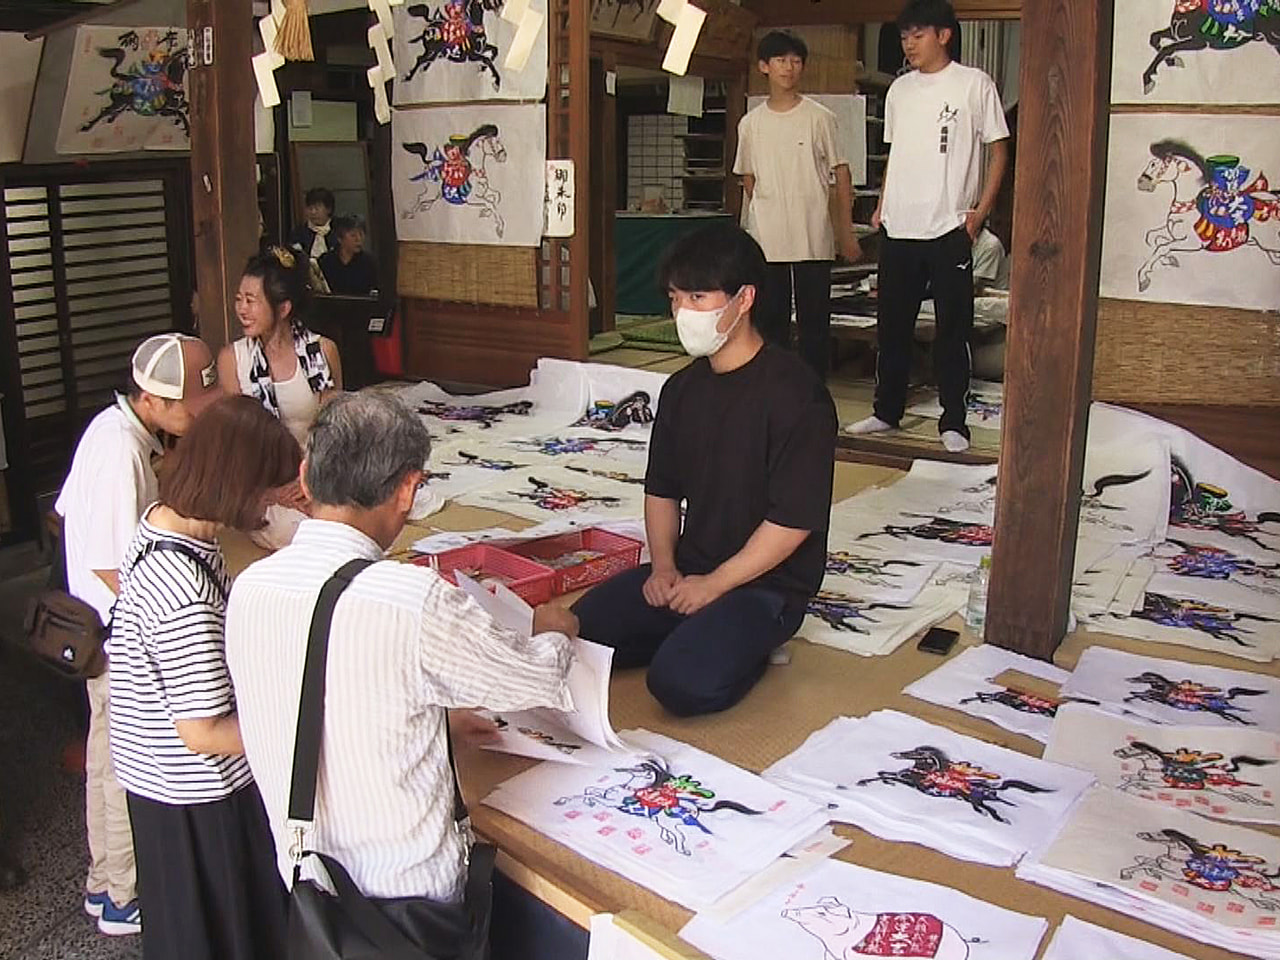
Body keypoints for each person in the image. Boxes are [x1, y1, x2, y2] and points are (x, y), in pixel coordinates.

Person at [225, 392, 579, 914]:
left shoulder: (252, 586)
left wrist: (438, 719)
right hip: (406, 893)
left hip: (307, 880)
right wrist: (555, 632)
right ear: (409, 490)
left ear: (305, 479)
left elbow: (329, 691)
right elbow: (534, 681)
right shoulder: (412, 600)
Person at [571, 223, 837, 717]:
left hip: (766, 586)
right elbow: (662, 490)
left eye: (698, 297)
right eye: (675, 298)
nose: (682, 313)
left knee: (679, 685)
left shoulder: (796, 394)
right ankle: (695, 627)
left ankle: (739, 641)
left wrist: (716, 585)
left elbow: (794, 520)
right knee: (579, 630)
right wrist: (667, 567)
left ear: (744, 299)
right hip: (690, 569)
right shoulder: (681, 390)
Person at [108, 396, 297, 960]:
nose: (268, 506)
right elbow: (205, 733)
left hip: (156, 779)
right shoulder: (182, 591)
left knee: (189, 932)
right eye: (266, 492)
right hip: (196, 794)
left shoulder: (164, 527)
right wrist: (305, 721)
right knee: (228, 934)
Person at [55, 333, 222, 936]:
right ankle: (122, 891)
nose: (195, 420)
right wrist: (171, 621)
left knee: (107, 760)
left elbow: (67, 513)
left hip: (108, 628)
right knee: (122, 767)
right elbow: (110, 561)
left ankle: (106, 883)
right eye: (191, 409)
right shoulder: (121, 450)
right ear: (154, 398)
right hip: (115, 637)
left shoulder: (115, 429)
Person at [847, 0, 1010, 453]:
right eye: (904, 37)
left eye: (917, 35)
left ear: (944, 35)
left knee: (951, 329)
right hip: (900, 225)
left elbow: (999, 151)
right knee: (892, 327)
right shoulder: (899, 90)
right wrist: (881, 206)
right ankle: (887, 411)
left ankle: (953, 420)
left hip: (949, 227)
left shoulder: (974, 85)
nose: (909, 44)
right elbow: (897, 155)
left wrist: (980, 211)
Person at [733, 30, 859, 380]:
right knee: (770, 323)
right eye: (780, 60)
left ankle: (813, 390)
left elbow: (840, 174)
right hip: (768, 239)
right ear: (764, 66)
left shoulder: (820, 117)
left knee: (814, 323)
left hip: (812, 235)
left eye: (796, 60)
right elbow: (748, 178)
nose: (789, 68)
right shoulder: (751, 124)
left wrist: (844, 231)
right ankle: (774, 390)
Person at [217, 247, 343, 449]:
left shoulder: (322, 351)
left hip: (313, 471)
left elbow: (335, 427)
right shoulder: (232, 359)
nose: (242, 310)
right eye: (238, 299)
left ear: (283, 308)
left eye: (251, 301)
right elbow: (236, 435)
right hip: (259, 471)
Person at [318, 216, 378, 296]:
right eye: (353, 235)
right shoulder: (326, 261)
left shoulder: (369, 262)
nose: (358, 239)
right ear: (340, 238)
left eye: (361, 234)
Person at [289, 186, 337, 262]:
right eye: (310, 208)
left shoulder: (338, 231)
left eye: (317, 208)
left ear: (329, 209)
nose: (313, 212)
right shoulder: (299, 233)